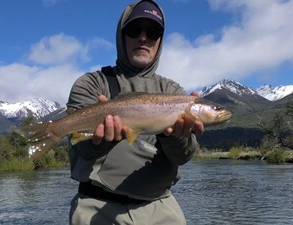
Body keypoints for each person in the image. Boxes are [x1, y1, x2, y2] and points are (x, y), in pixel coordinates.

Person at [67, 0, 204, 224]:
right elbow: (79, 147)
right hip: (98, 208)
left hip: (161, 207)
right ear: (122, 36)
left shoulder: (173, 92)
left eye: (152, 31)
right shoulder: (91, 84)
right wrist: (101, 141)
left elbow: (183, 157)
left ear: (160, 40)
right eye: (134, 30)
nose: (143, 38)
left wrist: (173, 135)